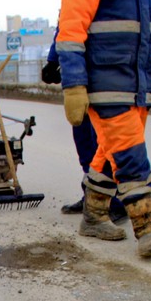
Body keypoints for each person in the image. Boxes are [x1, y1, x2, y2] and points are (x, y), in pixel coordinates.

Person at [56, 0, 151, 257]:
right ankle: (147, 228)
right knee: (130, 154)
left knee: (109, 153)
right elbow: (70, 30)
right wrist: (74, 85)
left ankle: (94, 216)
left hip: (140, 87)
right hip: (104, 84)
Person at [43, 38, 127, 228]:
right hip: (77, 79)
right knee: (85, 144)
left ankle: (114, 202)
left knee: (104, 145)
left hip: (107, 75)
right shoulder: (72, 8)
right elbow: (65, 28)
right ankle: (91, 199)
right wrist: (53, 59)